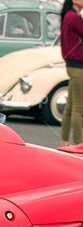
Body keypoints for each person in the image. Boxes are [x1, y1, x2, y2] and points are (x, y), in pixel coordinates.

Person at [60, 0, 83, 145]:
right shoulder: (75, 18)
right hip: (79, 66)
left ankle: (64, 141)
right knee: (79, 108)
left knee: (70, 107)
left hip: (71, 64)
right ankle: (79, 144)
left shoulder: (67, 16)